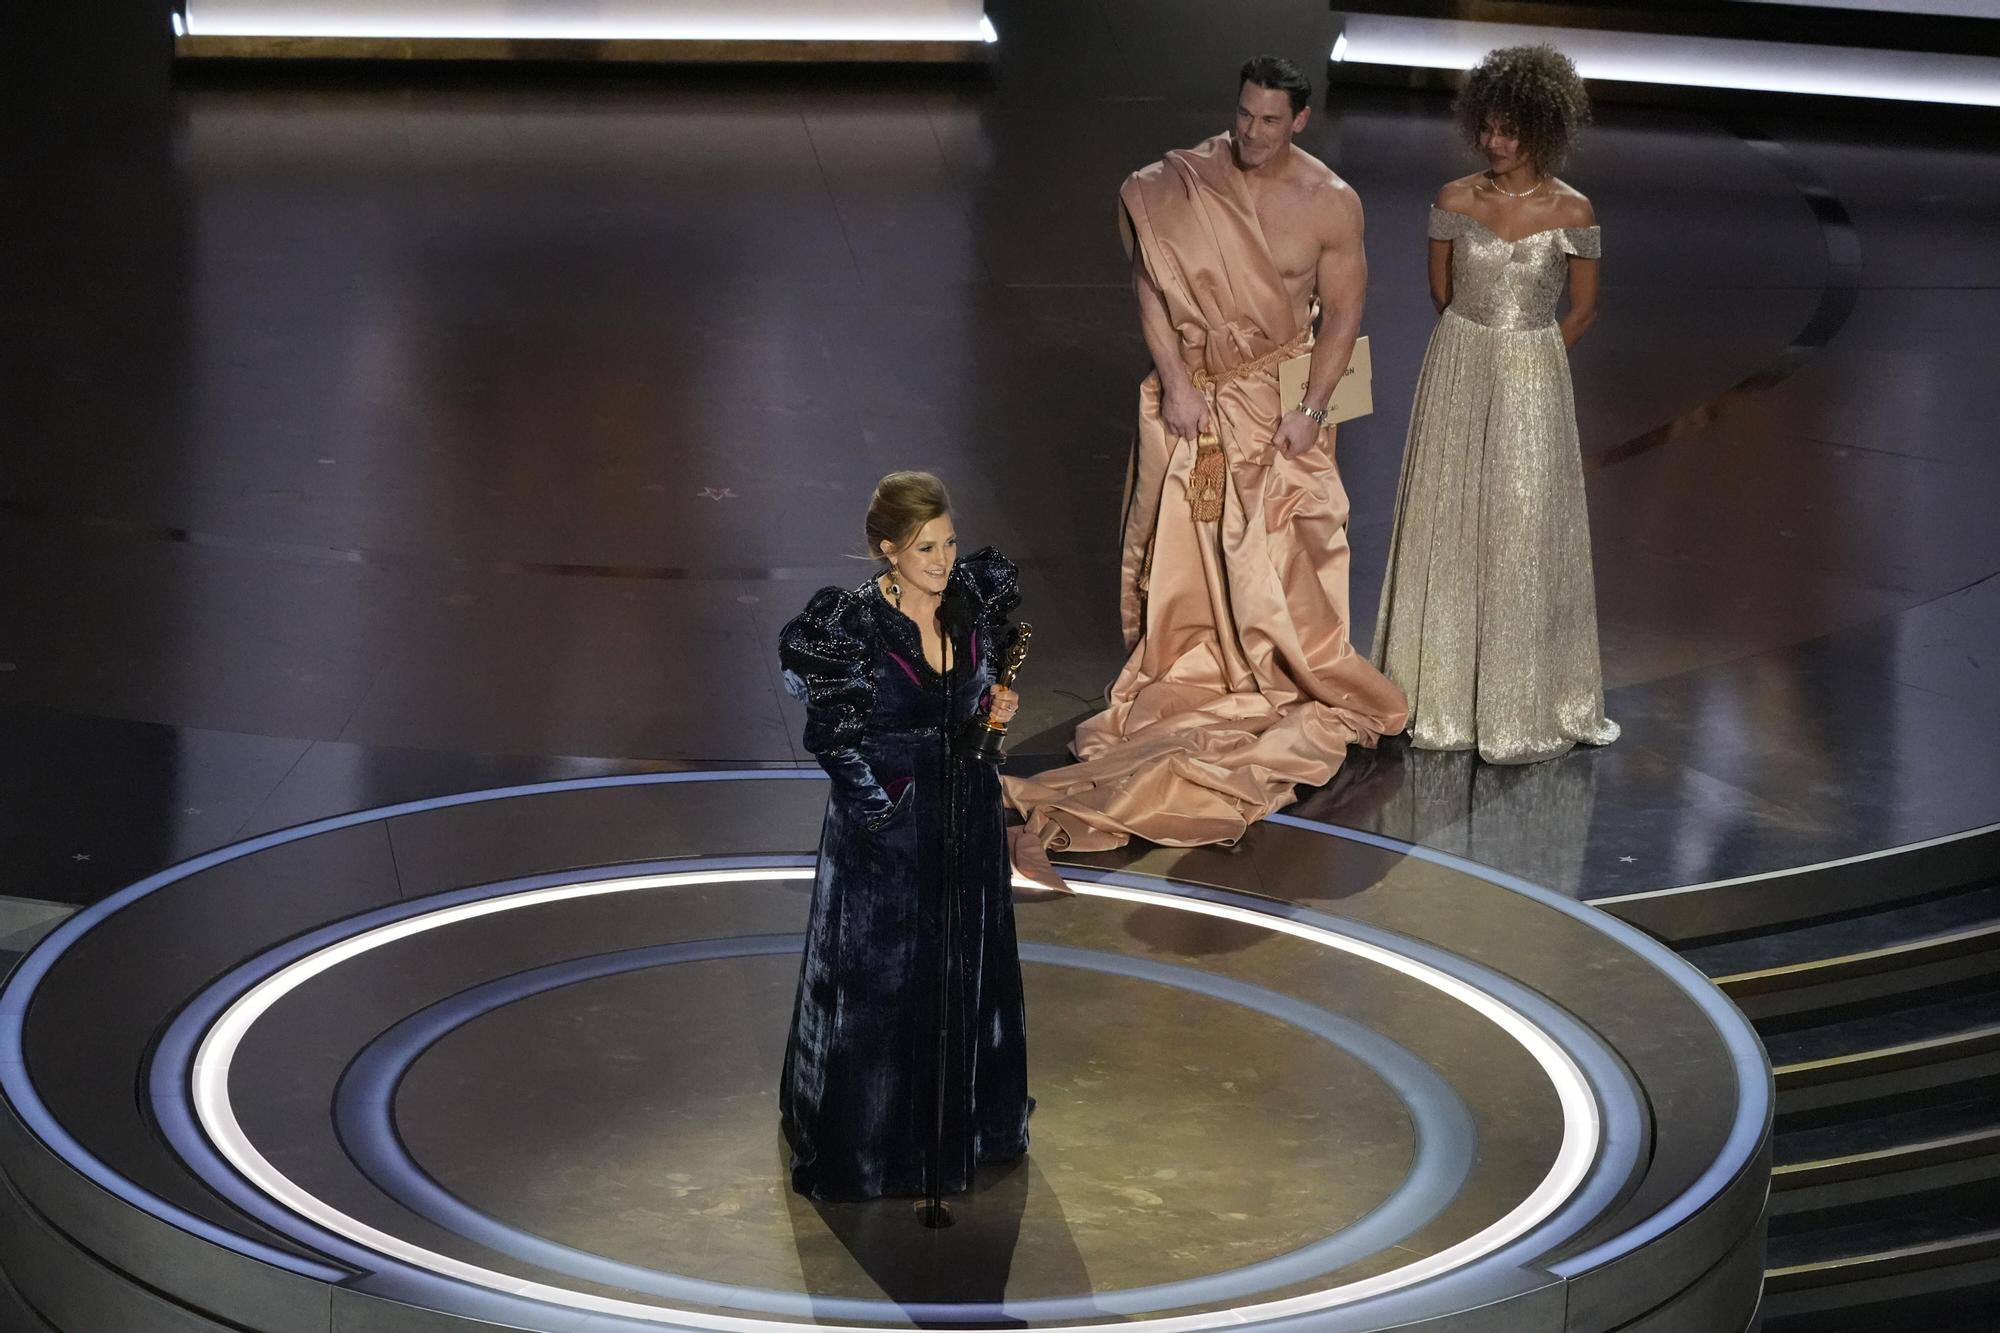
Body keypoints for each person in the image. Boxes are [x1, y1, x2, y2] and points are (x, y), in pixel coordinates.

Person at [1005, 55, 1406, 852]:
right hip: (1196, 399)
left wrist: (1312, 411)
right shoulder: (1177, 184)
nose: (1250, 133)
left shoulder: (1331, 204)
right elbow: (1148, 285)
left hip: (1280, 401)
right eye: (1243, 114)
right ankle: (1196, 663)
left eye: (1268, 120)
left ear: (1300, 120)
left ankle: (1278, 670)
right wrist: (1176, 380)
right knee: (1185, 547)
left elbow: (1343, 318)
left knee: (1288, 549)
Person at [776, 471, 1031, 1200]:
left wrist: (994, 708)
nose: (943, 559)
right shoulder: (850, 626)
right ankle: (871, 1147)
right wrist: (882, 809)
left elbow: (977, 698)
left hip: (968, 820)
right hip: (888, 832)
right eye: (925, 547)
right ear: (889, 550)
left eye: (948, 542)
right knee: (879, 988)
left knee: (966, 971)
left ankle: (968, 1130)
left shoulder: (969, 605)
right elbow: (830, 735)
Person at [1372, 44, 1619, 764]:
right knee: (1448, 515)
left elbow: (1585, 310)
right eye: (1487, 127)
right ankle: (1438, 693)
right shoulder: (1453, 200)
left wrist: (1530, 362)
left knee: (1521, 525)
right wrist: (1479, 352)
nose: (1493, 142)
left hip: (1531, 374)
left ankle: (1520, 698)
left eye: (1509, 130)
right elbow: (1441, 294)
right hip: (1458, 360)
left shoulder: (1574, 209)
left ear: (1543, 129)